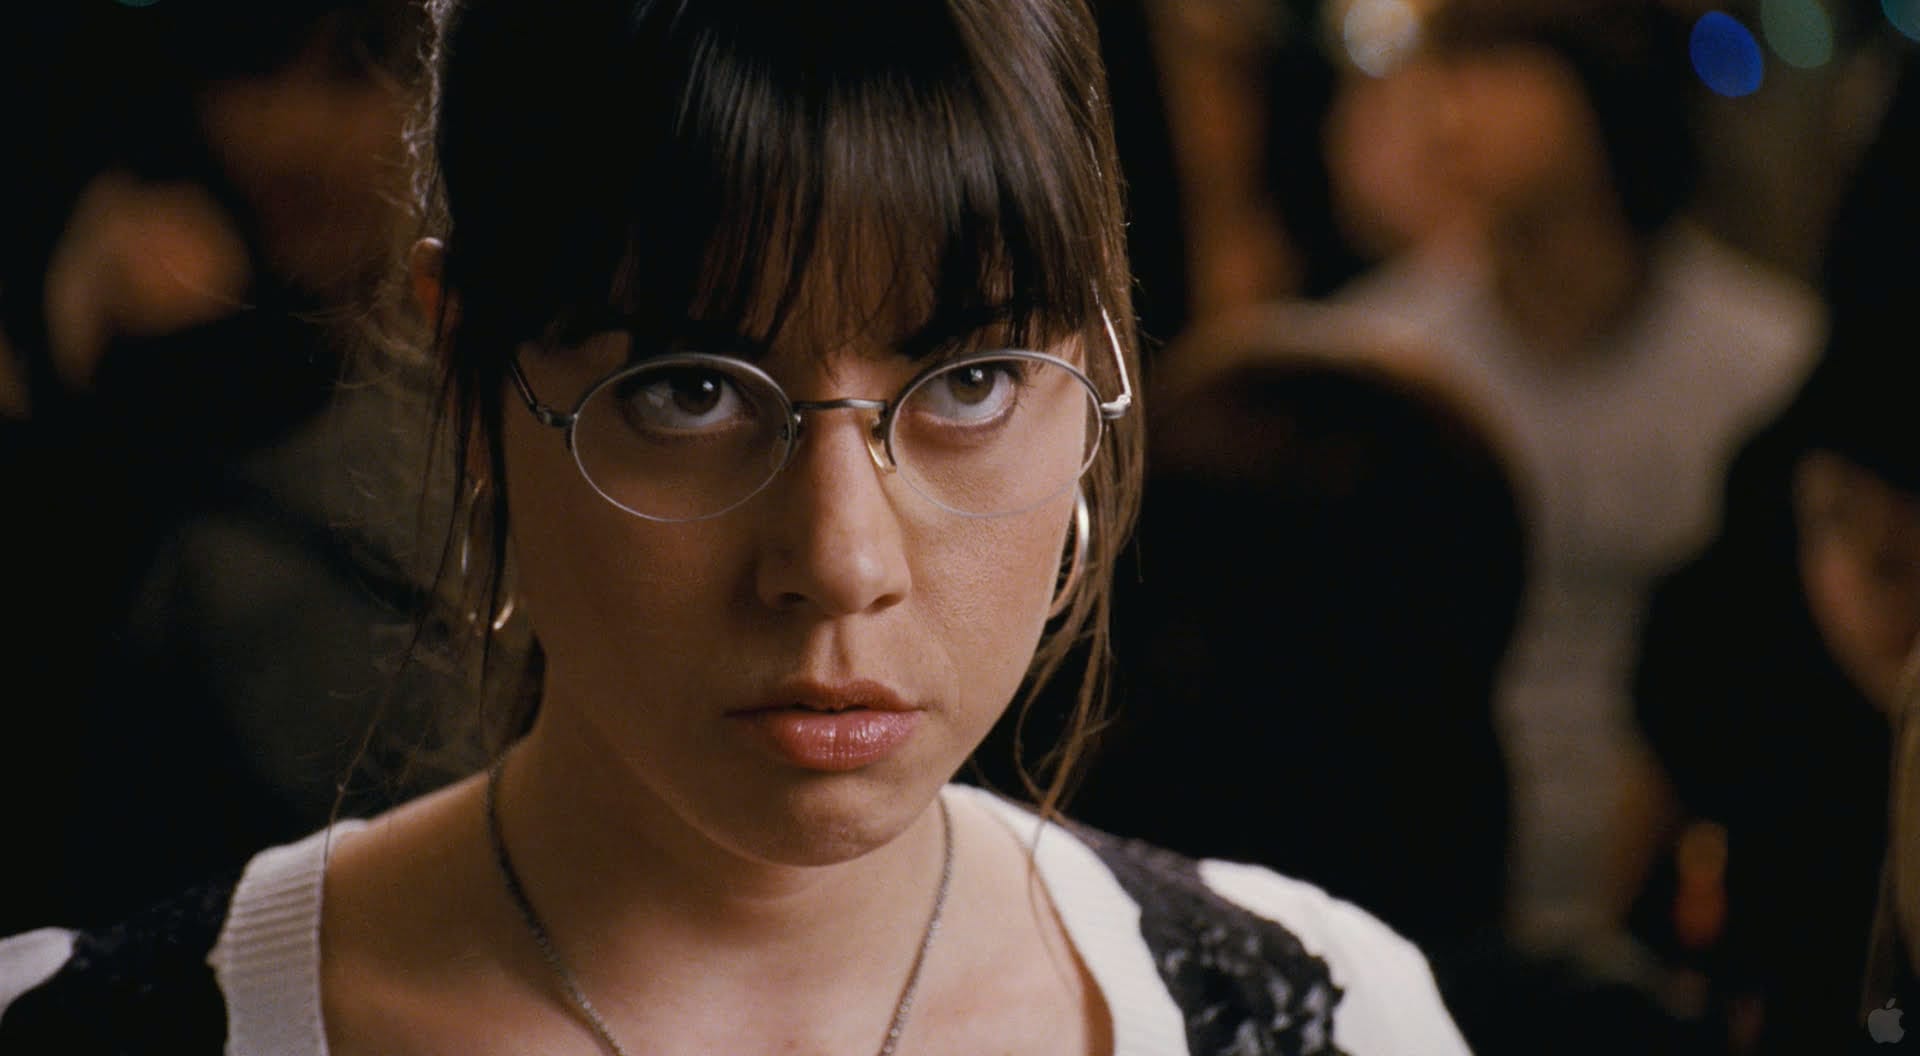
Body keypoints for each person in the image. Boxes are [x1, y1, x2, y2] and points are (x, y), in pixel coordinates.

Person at [0, 1, 1472, 1053]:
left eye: (969, 382)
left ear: (1093, 372)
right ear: (470, 376)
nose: (839, 562)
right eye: (692, 389)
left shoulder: (1330, 1015)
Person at [1335, 0, 1823, 971]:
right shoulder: (1379, 363)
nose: (1448, 113)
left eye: (1496, 68)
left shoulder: (1768, 366)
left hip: (1694, 913)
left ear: (1605, 88)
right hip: (1430, 908)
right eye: (1447, 70)